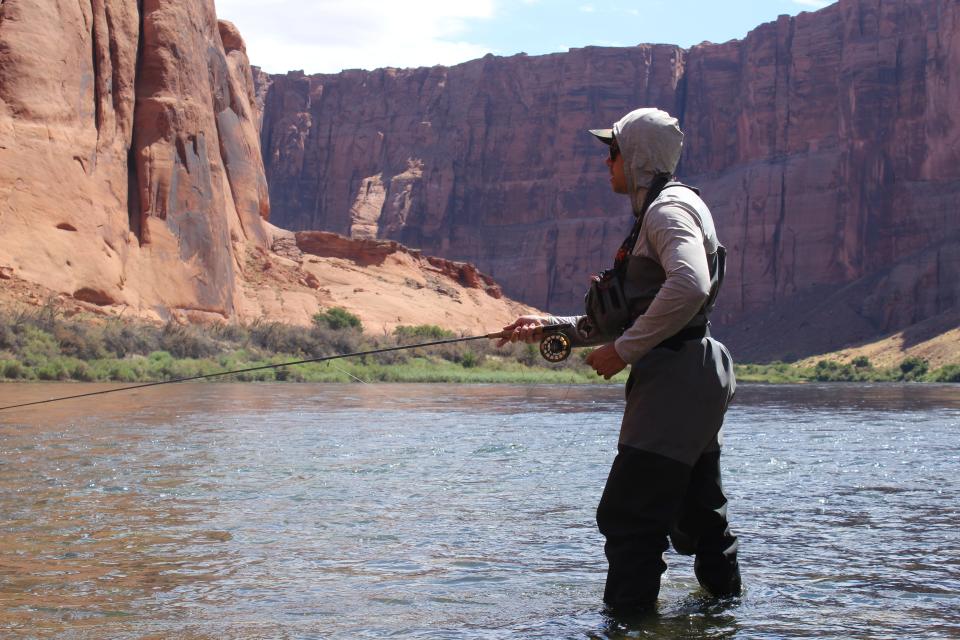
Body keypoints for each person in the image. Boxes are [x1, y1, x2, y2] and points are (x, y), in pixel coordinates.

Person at [498, 107, 741, 614]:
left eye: (613, 152)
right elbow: (636, 310)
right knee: (701, 515)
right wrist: (548, 326)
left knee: (629, 518)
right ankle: (727, 614)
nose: (606, 163)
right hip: (693, 375)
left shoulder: (666, 211)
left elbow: (690, 284)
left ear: (636, 157)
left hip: (673, 380)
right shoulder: (669, 206)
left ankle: (626, 627)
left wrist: (624, 351)